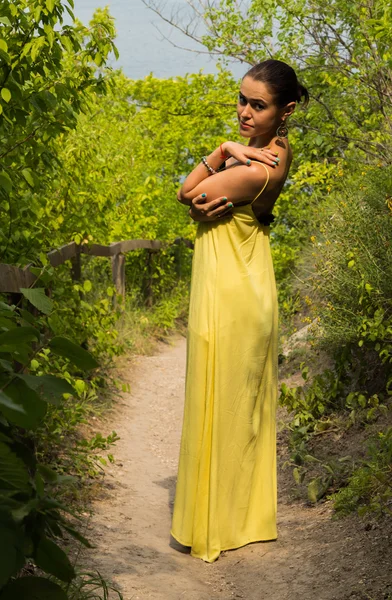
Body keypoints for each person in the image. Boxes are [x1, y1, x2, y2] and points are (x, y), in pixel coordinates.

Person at [171, 59, 309, 564]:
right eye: (241, 100)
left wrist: (222, 151)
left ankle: (221, 523)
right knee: (233, 407)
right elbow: (200, 203)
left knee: (225, 403)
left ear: (285, 109)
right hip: (243, 282)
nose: (245, 112)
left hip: (233, 293)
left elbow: (188, 191)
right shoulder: (277, 151)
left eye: (258, 104)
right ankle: (234, 517)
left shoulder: (255, 165)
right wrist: (204, 195)